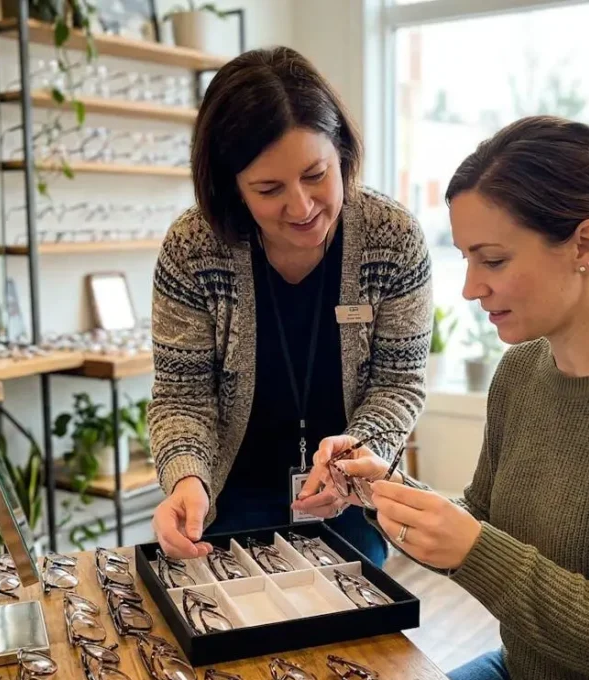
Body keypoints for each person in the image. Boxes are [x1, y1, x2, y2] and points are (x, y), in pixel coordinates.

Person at [296, 116, 589, 680]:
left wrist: (474, 548)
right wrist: (382, 492)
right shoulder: (522, 372)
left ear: (584, 245)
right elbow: (482, 522)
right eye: (466, 258)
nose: (471, 287)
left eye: (492, 260)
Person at [148, 46, 432, 567]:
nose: (301, 207)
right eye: (269, 188)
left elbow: (398, 383)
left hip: (343, 501)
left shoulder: (392, 239)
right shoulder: (194, 247)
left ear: (342, 152)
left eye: (316, 175)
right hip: (225, 501)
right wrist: (186, 476)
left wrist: (354, 456)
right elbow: (182, 396)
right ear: (231, 187)